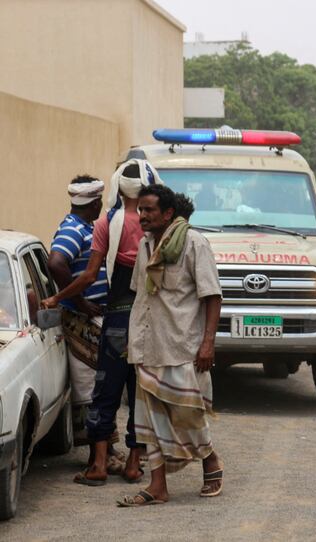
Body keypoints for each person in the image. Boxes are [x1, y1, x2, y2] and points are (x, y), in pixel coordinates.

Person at [43, 159, 162, 485]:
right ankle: (135, 465)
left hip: (115, 319)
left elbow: (92, 274)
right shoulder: (158, 226)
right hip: (147, 319)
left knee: (105, 393)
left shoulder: (106, 224)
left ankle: (97, 466)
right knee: (139, 393)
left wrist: (59, 297)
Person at [117, 185, 223, 507]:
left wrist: (207, 344)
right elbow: (142, 295)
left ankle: (211, 461)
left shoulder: (195, 243)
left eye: (149, 210)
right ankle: (157, 486)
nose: (143, 216)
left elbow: (212, 296)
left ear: (167, 214)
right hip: (148, 345)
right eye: (141, 210)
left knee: (187, 415)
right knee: (148, 420)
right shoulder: (145, 246)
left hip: (181, 346)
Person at [47, 175, 108, 444]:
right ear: (94, 204)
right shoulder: (73, 229)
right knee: (89, 389)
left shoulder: (85, 226)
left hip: (92, 315)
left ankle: (103, 450)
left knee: (99, 386)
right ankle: (97, 451)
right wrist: (80, 300)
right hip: (81, 318)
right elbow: (56, 263)